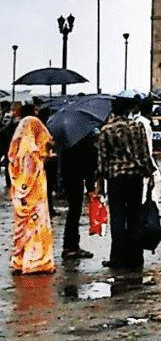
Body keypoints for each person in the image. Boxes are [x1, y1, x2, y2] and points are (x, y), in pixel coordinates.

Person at [96, 95, 158, 272]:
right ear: (128, 110)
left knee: (117, 216)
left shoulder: (106, 130)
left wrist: (99, 182)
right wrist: (150, 172)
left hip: (115, 178)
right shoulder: (137, 127)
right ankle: (135, 256)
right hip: (135, 176)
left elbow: (102, 158)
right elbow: (144, 151)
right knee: (134, 214)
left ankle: (117, 256)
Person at [8, 100, 56, 275]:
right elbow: (46, 143)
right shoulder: (35, 124)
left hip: (20, 184)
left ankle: (20, 259)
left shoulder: (21, 128)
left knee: (22, 224)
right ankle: (37, 260)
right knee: (37, 222)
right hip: (35, 187)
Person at [60, 127, 98, 260]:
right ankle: (71, 246)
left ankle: (70, 245)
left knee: (73, 211)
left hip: (67, 178)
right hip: (76, 179)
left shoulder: (66, 140)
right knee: (74, 212)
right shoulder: (84, 140)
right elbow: (90, 163)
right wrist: (91, 186)